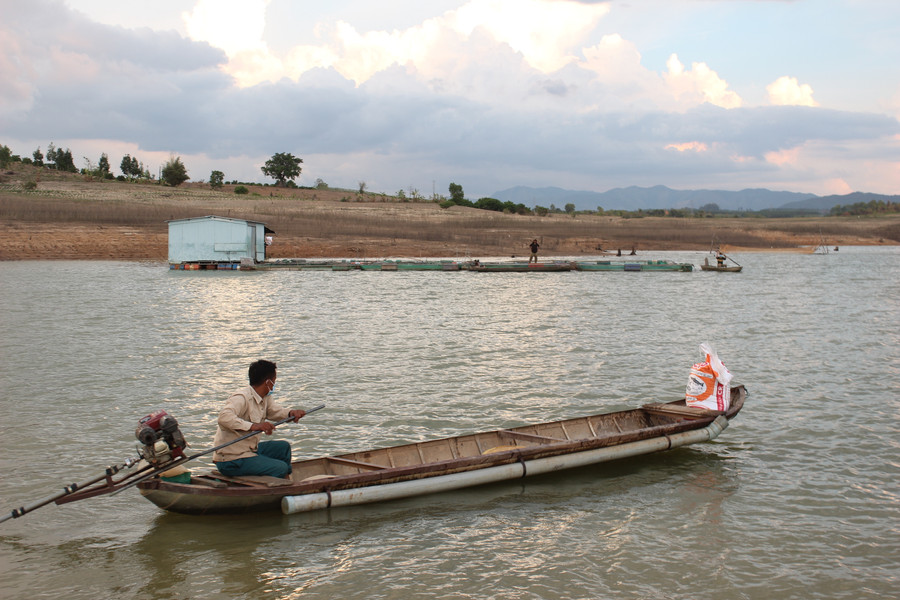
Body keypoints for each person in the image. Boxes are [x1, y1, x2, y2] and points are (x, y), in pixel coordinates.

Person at [213, 360, 306, 478]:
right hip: (232, 459)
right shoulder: (242, 397)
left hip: (249, 451)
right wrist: (254, 426)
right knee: (280, 467)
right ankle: (279, 484)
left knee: (283, 448)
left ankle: (286, 482)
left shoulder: (265, 397)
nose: (274, 384)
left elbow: (274, 411)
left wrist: (291, 413)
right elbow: (224, 417)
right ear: (268, 382)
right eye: (274, 381)